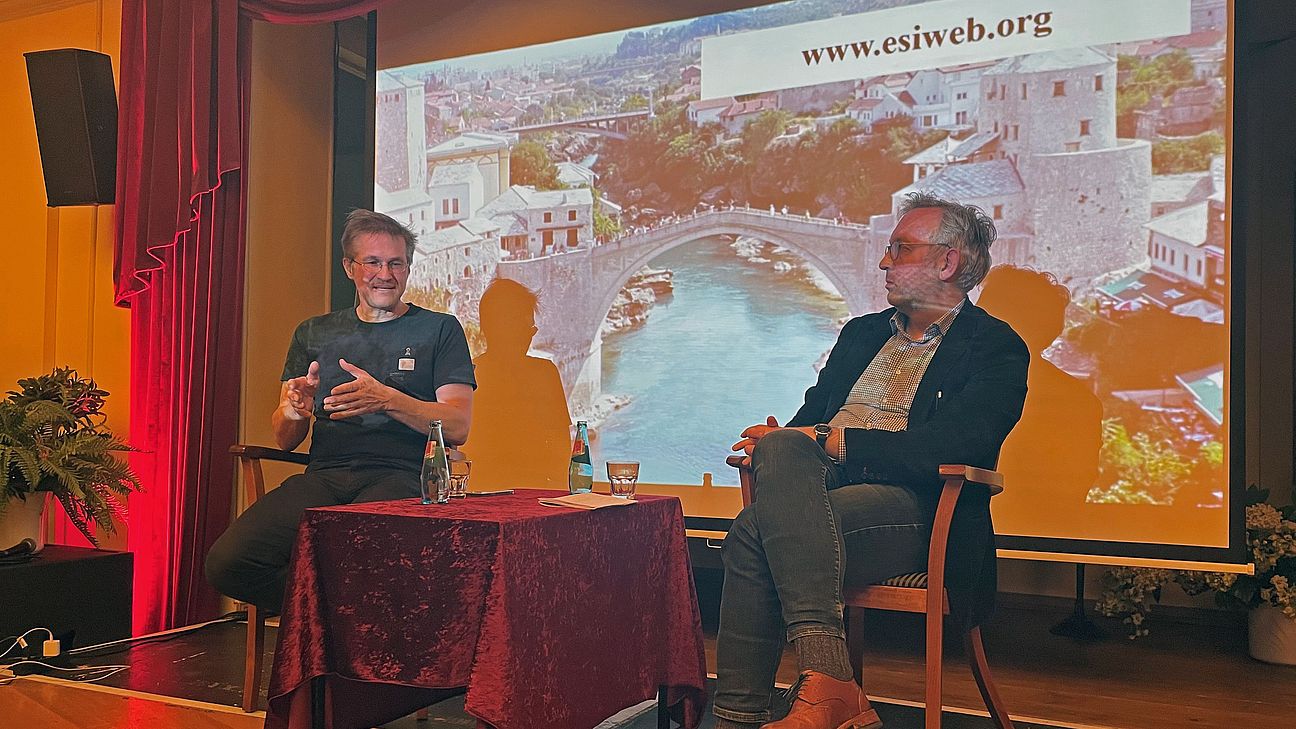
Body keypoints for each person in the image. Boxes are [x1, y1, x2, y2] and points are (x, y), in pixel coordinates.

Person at [714, 192, 1028, 729]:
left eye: (900, 250)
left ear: (947, 262)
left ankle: (749, 713)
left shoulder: (994, 348)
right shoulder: (860, 333)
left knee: (752, 530)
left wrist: (840, 444)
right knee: (781, 454)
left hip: (920, 515)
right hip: (822, 502)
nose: (884, 262)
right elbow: (807, 421)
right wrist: (775, 439)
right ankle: (823, 682)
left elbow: (956, 447)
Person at [205, 209, 476, 613]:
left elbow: (456, 426)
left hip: (403, 477)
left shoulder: (439, 329)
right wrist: (296, 409)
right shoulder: (314, 332)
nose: (385, 274)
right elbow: (285, 436)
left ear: (408, 268)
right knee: (228, 564)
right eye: (373, 262)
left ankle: (335, 628)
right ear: (350, 267)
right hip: (326, 476)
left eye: (395, 263)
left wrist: (386, 399)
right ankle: (332, 617)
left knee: (354, 553)